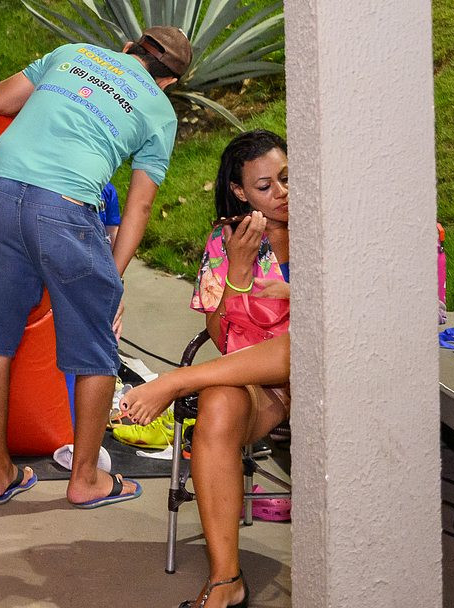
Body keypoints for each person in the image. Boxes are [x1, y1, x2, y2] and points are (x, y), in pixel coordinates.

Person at [0, 26, 191, 509]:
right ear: (168, 82)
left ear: (127, 48)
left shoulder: (73, 52)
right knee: (96, 346)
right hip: (65, 207)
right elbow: (140, 206)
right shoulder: (160, 111)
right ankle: (85, 479)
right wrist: (113, 275)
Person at [117, 130, 292, 608]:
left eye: (286, 178)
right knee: (217, 404)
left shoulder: (325, 227)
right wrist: (238, 271)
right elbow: (223, 338)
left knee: (306, 344)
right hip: (259, 384)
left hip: (325, 378)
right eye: (265, 186)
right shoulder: (227, 239)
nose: (281, 192)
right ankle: (226, 580)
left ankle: (176, 382)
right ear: (239, 191)